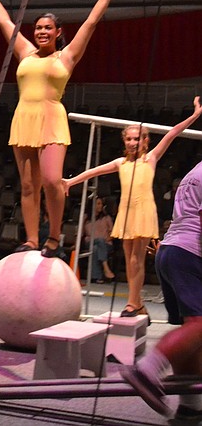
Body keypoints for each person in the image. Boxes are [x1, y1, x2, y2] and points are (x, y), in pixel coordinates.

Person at [0, 0, 125, 257]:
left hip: (51, 119)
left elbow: (92, 22)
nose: (42, 32)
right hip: (24, 119)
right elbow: (5, 21)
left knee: (51, 180)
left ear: (58, 33)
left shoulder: (67, 56)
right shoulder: (24, 51)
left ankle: (54, 237)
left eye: (48, 28)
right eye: (38, 28)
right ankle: (32, 239)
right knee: (29, 186)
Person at [63, 97, 202, 318]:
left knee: (137, 259)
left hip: (143, 212)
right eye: (128, 139)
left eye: (136, 139)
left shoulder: (151, 159)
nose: (132, 143)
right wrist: (70, 182)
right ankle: (137, 304)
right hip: (126, 214)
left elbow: (173, 133)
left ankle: (131, 303)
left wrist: (194, 116)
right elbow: (94, 171)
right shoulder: (121, 163)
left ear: (145, 141)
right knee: (129, 260)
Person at [120, 158, 202, 422]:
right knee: (200, 325)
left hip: (171, 250)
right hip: (190, 252)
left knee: (192, 331)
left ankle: (190, 406)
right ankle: (147, 371)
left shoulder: (195, 169)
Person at [83, 196, 115, 283]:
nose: (100, 206)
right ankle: (106, 267)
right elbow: (80, 233)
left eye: (101, 204)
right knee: (97, 243)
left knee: (96, 248)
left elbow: (113, 233)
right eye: (98, 204)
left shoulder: (106, 218)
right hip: (90, 242)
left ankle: (97, 277)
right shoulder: (85, 218)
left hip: (105, 244)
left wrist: (107, 239)